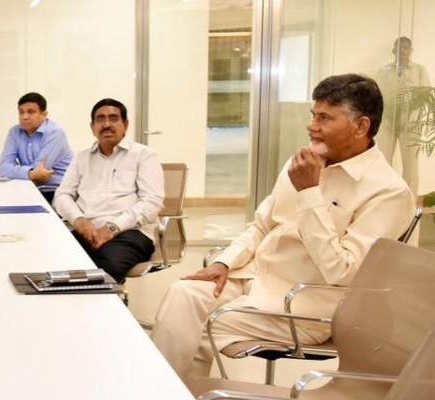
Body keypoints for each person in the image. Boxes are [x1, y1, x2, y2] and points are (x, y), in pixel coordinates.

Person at [150, 74, 414, 379]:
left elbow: (342, 272)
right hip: (253, 279)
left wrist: (309, 192)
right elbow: (262, 224)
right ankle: (166, 390)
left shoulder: (388, 192)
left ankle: (167, 390)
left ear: (361, 126)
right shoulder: (303, 162)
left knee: (196, 326)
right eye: (314, 115)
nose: (312, 126)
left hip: (303, 306)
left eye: (326, 118)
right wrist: (224, 262)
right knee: (183, 293)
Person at [52, 98, 164, 283]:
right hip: (85, 231)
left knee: (104, 272)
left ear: (125, 124)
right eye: (100, 119)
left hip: (129, 233)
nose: (106, 124)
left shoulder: (143, 155)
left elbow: (152, 202)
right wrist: (80, 221)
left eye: (113, 118)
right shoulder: (82, 158)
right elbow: (62, 195)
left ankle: (105, 311)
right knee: (53, 263)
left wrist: (112, 228)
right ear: (92, 126)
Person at [374, 36, 430, 193]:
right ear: (393, 50)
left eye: (406, 48)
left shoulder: (420, 71)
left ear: (411, 51)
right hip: (387, 121)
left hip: (410, 123)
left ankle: (410, 200)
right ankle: (382, 195)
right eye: (399, 48)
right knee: (382, 160)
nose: (402, 51)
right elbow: (377, 95)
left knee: (410, 165)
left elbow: (425, 97)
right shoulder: (383, 71)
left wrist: (415, 118)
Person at [0, 92, 74, 203]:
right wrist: (30, 174)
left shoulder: (55, 133)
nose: (24, 117)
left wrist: (23, 172)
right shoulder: (15, 132)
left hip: (56, 191)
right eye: (21, 112)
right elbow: (3, 167)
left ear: (44, 114)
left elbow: (41, 171)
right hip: (30, 187)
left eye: (31, 112)